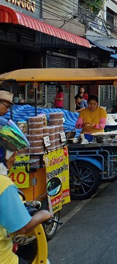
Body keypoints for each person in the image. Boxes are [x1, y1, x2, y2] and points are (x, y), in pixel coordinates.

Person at [0, 90, 53, 264]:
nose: (14, 159)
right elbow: (22, 228)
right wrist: (44, 214)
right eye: (12, 154)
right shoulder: (3, 185)